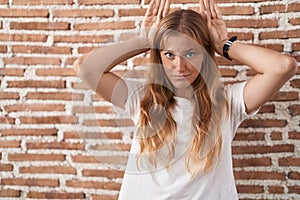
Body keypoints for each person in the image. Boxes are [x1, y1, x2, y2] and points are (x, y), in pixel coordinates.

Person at [73, 0, 297, 199]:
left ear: (205, 55)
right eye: (169, 54)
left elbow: (282, 67)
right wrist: (145, 39)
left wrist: (224, 44)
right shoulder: (140, 98)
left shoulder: (229, 102)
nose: (179, 67)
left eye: (190, 54)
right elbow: (85, 68)